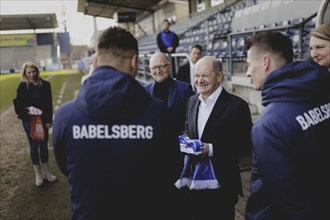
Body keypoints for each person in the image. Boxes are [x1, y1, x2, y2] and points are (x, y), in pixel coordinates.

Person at [52, 27, 181, 220]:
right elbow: (172, 169)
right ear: (135, 62)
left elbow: (67, 168)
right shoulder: (159, 113)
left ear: (95, 62)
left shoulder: (65, 116)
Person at [244, 31, 330, 219]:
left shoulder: (268, 125)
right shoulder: (322, 94)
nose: (248, 72)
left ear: (265, 62)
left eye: (250, 64)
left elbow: (288, 199)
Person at [179, 56, 252, 220]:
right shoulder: (191, 101)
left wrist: (210, 149)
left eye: (205, 75)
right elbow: (187, 129)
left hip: (222, 186)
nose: (199, 80)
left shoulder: (237, 106)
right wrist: (186, 139)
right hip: (194, 183)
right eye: (196, 76)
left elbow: (245, 144)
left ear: (219, 76)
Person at [13, 62, 57, 186]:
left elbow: (49, 104)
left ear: (37, 71)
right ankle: (38, 174)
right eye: (29, 72)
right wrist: (29, 111)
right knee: (33, 145)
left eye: (33, 71)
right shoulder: (22, 86)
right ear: (25, 74)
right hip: (29, 120)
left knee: (43, 144)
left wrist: (48, 120)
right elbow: (19, 105)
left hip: (43, 120)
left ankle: (47, 172)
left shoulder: (46, 85)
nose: (31, 74)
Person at [144, 52, 194, 135]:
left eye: (161, 66)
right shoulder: (145, 91)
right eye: (154, 68)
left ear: (169, 67)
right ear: (150, 70)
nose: (158, 71)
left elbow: (192, 119)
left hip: (178, 143)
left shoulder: (185, 89)